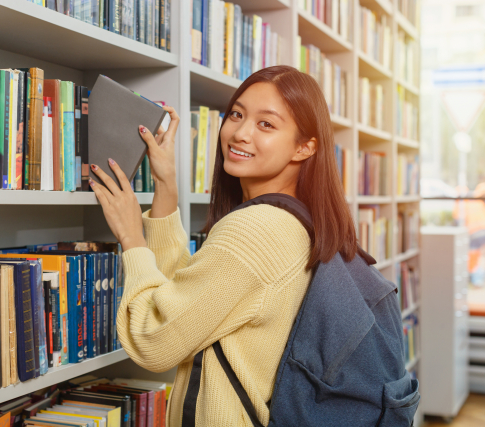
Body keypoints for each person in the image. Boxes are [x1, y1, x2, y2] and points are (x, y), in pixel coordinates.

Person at [89, 66, 358, 427]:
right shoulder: (296, 220)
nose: (240, 133)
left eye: (266, 124)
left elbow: (153, 341)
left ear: (304, 146)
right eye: (236, 114)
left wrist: (131, 238)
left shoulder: (256, 230)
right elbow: (184, 303)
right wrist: (166, 186)